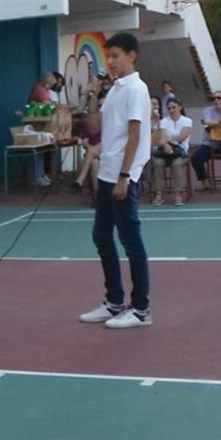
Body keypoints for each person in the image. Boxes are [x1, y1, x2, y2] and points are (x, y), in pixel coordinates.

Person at [78, 33, 152, 329]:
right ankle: (113, 301)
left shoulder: (136, 88)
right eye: (108, 57)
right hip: (107, 173)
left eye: (116, 56)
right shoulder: (115, 90)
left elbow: (134, 136)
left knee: (130, 241)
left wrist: (124, 177)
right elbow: (95, 126)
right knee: (101, 236)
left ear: (132, 56)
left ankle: (141, 309)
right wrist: (93, 95)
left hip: (124, 176)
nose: (110, 62)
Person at [152, 97, 192, 205]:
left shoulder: (187, 121)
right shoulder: (164, 121)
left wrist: (167, 140)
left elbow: (182, 137)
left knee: (177, 164)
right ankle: (158, 193)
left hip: (180, 151)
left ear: (180, 107)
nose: (171, 110)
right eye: (169, 108)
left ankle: (178, 194)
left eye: (174, 107)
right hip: (165, 151)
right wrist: (165, 145)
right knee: (157, 163)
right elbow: (162, 135)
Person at [190, 90, 221, 182]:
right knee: (195, 158)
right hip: (210, 143)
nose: (216, 100)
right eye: (214, 98)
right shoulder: (208, 110)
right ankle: (203, 181)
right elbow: (206, 121)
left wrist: (216, 125)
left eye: (219, 98)